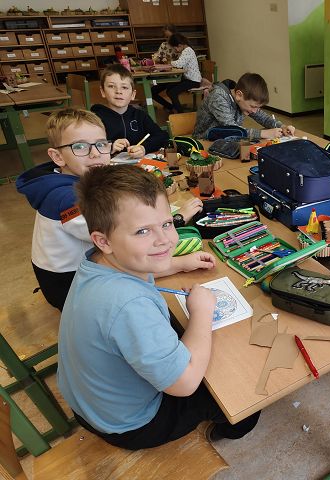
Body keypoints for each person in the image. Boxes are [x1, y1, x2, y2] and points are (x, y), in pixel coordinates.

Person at [57, 164, 261, 449]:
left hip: (91, 404)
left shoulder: (97, 261)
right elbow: (185, 384)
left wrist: (178, 263)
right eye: (143, 231)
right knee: (244, 392)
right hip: (132, 424)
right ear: (103, 241)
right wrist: (201, 312)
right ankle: (225, 431)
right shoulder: (129, 305)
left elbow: (131, 269)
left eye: (166, 224)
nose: (165, 240)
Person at [16, 108, 112, 310]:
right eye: (80, 146)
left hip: (70, 271)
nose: (95, 153)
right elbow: (110, 236)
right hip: (67, 284)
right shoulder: (67, 198)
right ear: (58, 157)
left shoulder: (67, 178)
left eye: (101, 144)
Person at [91, 64, 169, 158]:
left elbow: (162, 136)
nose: (118, 91)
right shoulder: (95, 119)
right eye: (111, 86)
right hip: (107, 165)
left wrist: (144, 148)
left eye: (124, 87)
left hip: (138, 164)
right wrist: (109, 147)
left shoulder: (140, 116)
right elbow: (87, 145)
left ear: (133, 94)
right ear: (102, 91)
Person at [193, 72, 295, 140]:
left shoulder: (242, 100)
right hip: (205, 142)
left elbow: (263, 118)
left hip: (227, 141)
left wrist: (282, 126)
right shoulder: (218, 97)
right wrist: (263, 134)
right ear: (239, 95)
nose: (255, 111)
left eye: (257, 107)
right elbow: (232, 129)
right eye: (253, 106)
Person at [151, 33, 202, 113]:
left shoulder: (188, 50)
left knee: (172, 92)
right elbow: (180, 64)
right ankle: (173, 108)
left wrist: (169, 63)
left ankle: (181, 113)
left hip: (193, 81)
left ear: (179, 45)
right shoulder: (185, 50)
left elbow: (179, 64)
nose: (175, 50)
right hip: (188, 79)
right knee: (169, 89)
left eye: (175, 48)